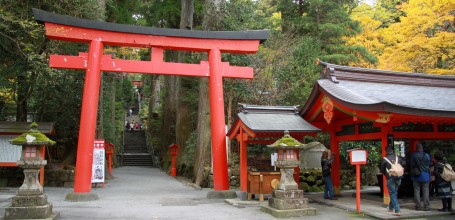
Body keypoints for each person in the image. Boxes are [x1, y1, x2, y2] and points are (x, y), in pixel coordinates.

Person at [380, 146, 405, 216]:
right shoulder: (398, 158)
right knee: (394, 192)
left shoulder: (384, 159)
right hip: (398, 177)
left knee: (392, 193)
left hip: (390, 178)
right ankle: (391, 208)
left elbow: (382, 170)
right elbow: (403, 164)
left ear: (386, 151)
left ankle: (397, 210)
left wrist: (387, 175)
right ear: (393, 151)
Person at [410, 142, 431, 211]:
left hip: (416, 175)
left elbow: (411, 164)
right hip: (425, 175)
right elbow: (429, 163)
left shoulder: (413, 155)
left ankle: (418, 206)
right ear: (422, 148)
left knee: (416, 191)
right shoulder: (426, 155)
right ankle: (426, 206)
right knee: (425, 191)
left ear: (416, 148)